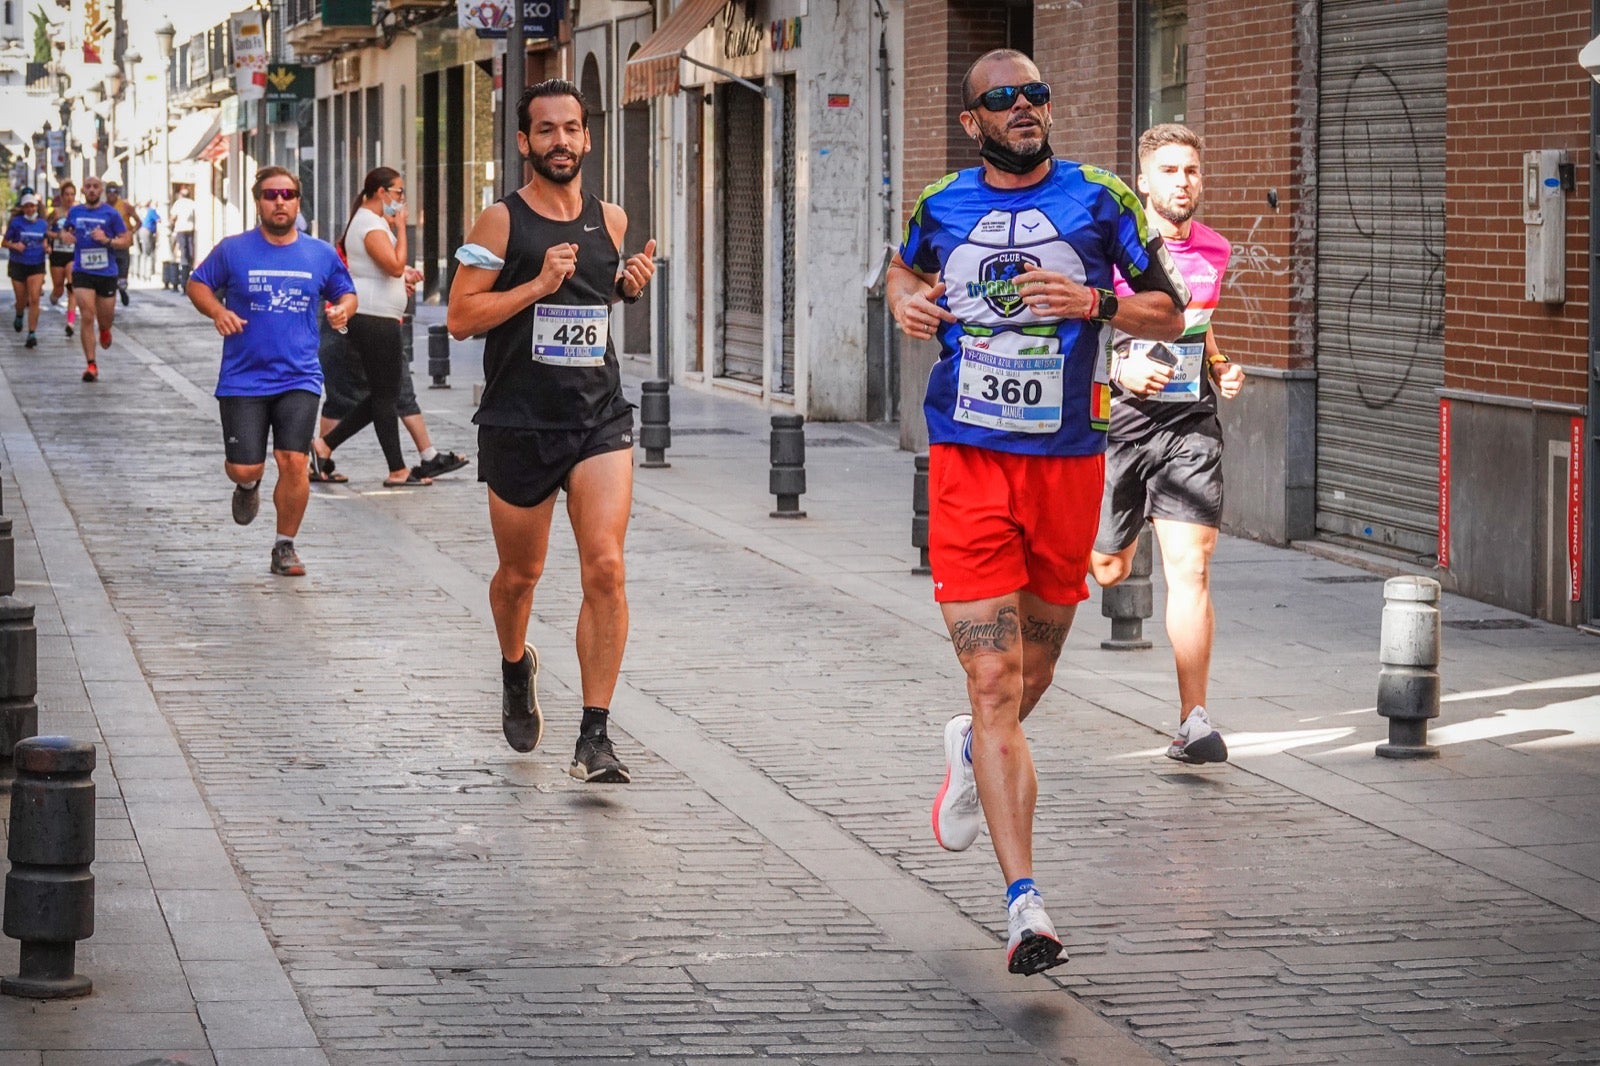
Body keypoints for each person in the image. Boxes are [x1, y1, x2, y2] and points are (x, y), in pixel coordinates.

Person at [889, 49, 1188, 976]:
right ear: (972, 120)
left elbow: (1169, 311)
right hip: (968, 461)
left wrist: (1095, 300)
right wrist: (907, 303)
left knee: (1031, 674)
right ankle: (1025, 907)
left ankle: (971, 751)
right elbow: (900, 272)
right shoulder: (940, 204)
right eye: (1003, 98)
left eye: (1036, 94)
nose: (1025, 107)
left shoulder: (1100, 199)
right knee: (993, 683)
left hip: (1065, 464)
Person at [447, 79, 656, 782]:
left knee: (606, 567)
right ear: (524, 142)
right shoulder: (499, 223)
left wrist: (626, 287)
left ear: (587, 138)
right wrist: (536, 285)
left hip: (598, 417)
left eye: (571, 128)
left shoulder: (612, 220)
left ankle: (594, 735)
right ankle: (516, 667)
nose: (560, 141)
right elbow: (461, 318)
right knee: (520, 577)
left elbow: (595, 302)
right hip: (519, 421)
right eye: (546, 130)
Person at [1090, 124, 1245, 766]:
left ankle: (1193, 720)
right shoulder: (1115, 251)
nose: (1184, 182)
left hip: (1189, 422)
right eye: (1170, 171)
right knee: (1109, 568)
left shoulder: (1215, 249)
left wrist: (1220, 365)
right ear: (1143, 181)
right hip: (1121, 420)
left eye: (1192, 170)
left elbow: (1198, 324)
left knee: (1193, 567)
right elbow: (1081, 325)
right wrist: (1117, 368)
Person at [185, 166, 356, 577]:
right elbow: (197, 283)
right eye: (270, 195)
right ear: (258, 201)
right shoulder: (233, 250)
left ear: (298, 202)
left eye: (288, 195)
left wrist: (342, 311)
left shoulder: (319, 253)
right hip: (243, 378)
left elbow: (346, 292)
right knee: (245, 467)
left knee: (293, 460)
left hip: (299, 376)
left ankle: (285, 546)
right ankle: (248, 485)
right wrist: (218, 311)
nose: (280, 201)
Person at [311, 167, 430, 487]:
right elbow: (393, 266)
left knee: (382, 395)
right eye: (399, 192)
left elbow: (382, 270)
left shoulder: (371, 222)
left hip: (378, 315)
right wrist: (401, 228)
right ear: (381, 192)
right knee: (384, 396)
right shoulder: (370, 223)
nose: (401, 199)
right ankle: (397, 469)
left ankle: (325, 445)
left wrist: (402, 278)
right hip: (373, 317)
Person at [312, 307, 470, 484]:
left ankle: (323, 451)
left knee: (387, 393)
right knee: (377, 394)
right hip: (367, 318)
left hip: (376, 318)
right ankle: (400, 468)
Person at [55, 174, 131, 382]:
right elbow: (64, 230)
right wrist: (64, 236)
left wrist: (107, 240)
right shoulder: (75, 211)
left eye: (95, 186)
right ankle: (91, 365)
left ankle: (105, 330)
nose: (91, 190)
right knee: (87, 316)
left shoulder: (111, 214)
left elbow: (126, 239)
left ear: (101, 190)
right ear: (83, 189)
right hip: (82, 271)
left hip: (106, 272)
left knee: (105, 319)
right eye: (88, 186)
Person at [5, 193, 49, 348]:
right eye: (27, 206)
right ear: (23, 208)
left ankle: (32, 333)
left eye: (32, 206)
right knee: (21, 299)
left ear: (36, 207)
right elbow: (4, 242)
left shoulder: (43, 224)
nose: (30, 209)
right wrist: (15, 246)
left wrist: (47, 247)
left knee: (34, 298)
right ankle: (19, 314)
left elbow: (45, 240)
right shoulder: (16, 223)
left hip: (36, 264)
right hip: (18, 264)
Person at [45, 181, 77, 336]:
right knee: (59, 288)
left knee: (71, 287)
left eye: (72, 194)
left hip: (72, 254)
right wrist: (58, 235)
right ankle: (54, 296)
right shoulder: (56, 213)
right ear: (62, 196)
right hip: (57, 253)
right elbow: (45, 230)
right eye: (67, 194)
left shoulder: (78, 212)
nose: (69, 197)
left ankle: (70, 322)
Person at [106, 180, 140, 305]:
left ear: (118, 193)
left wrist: (131, 232)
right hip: (109, 245)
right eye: (109, 191)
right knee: (110, 272)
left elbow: (138, 221)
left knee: (123, 271)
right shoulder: (103, 207)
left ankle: (122, 289)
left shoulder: (125, 206)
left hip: (123, 244)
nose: (112, 194)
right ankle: (111, 295)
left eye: (114, 191)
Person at [170, 185, 197, 285]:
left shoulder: (178, 203)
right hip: (190, 229)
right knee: (190, 252)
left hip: (180, 229)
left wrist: (172, 224)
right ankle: (189, 272)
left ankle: (183, 279)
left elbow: (173, 217)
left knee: (183, 252)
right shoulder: (192, 203)